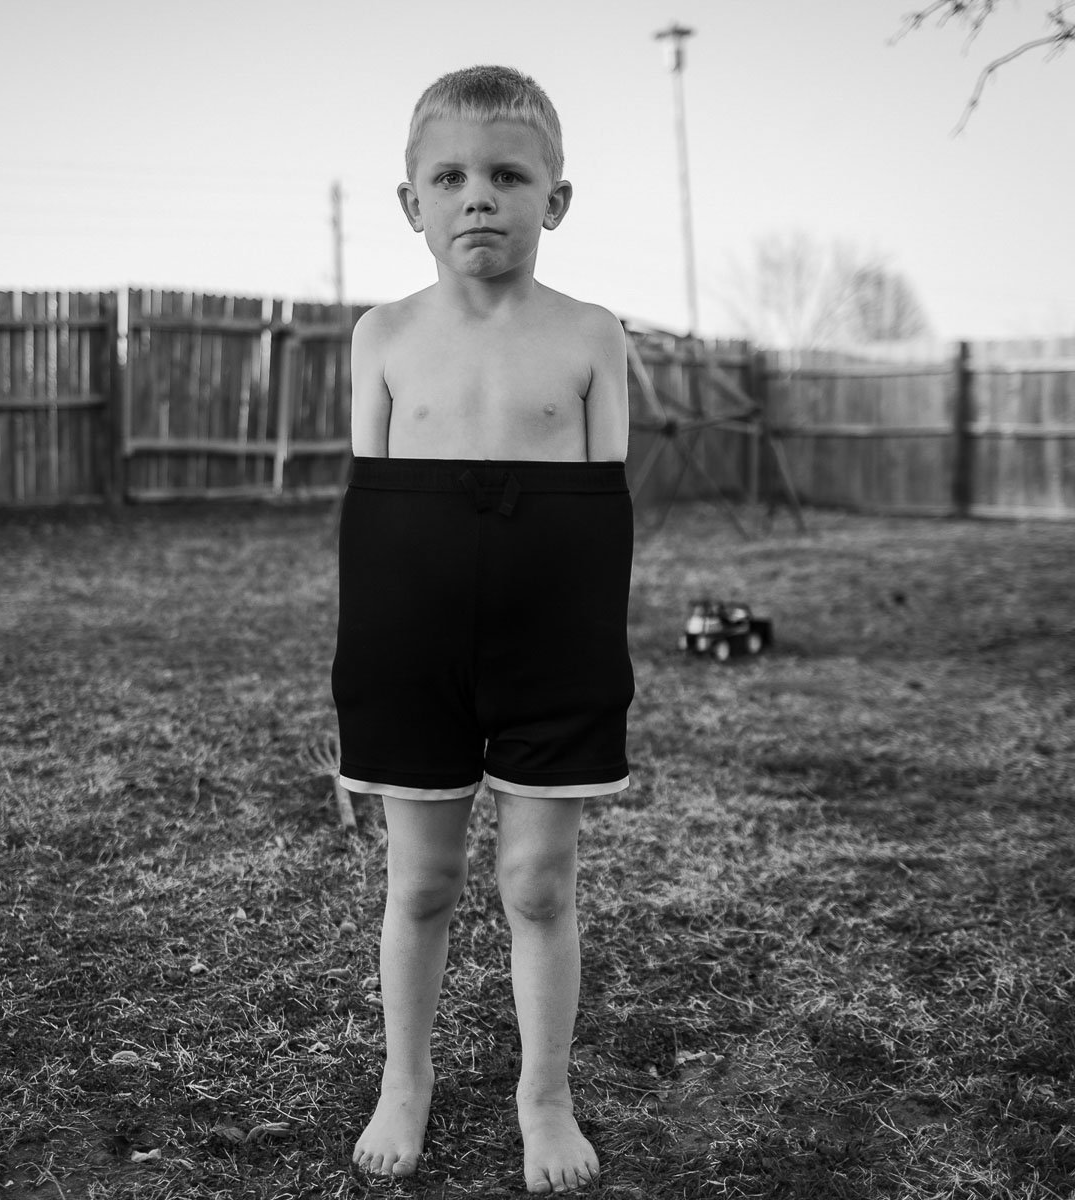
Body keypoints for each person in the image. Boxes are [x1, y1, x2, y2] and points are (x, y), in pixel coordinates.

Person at [331, 64, 633, 1195]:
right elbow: (371, 523)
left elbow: (605, 521)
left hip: (552, 648)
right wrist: (360, 681)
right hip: (412, 653)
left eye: (509, 175)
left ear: (555, 198)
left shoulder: (593, 335)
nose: (479, 197)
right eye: (449, 176)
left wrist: (597, 665)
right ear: (411, 201)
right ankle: (403, 1078)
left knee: (539, 884)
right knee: (420, 886)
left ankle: (541, 1097)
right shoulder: (381, 338)